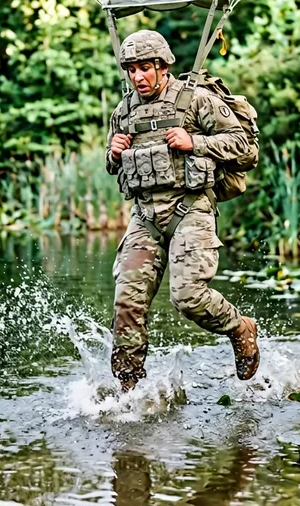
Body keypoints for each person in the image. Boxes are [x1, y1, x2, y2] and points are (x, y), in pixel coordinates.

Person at [105, 30, 259, 392]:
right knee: (127, 301)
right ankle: (127, 391)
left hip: (190, 208)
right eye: (131, 70)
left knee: (188, 297)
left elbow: (244, 147)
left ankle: (240, 328)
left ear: (162, 66)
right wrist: (112, 153)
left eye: (145, 68)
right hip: (145, 215)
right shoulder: (123, 111)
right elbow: (114, 166)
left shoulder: (196, 100)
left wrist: (195, 142)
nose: (138, 77)